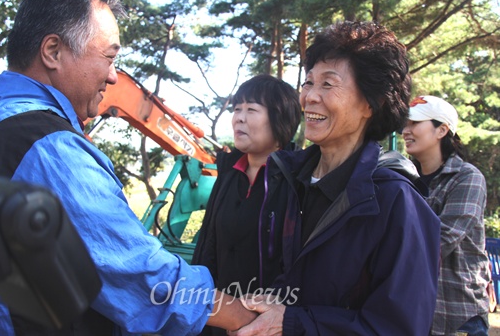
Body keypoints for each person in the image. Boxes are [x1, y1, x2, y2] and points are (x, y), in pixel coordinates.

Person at [0, 0, 256, 335]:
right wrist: (244, 317)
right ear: (53, 51)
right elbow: (139, 274)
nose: (113, 77)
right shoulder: (49, 148)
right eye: (109, 58)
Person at [229, 21, 442, 336]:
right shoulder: (290, 179)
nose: (310, 97)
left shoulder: (396, 201)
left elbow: (400, 327)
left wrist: (290, 323)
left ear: (373, 102)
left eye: (328, 84)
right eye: (309, 82)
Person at [192, 75, 301, 335]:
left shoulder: (297, 182)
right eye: (237, 108)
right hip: (218, 319)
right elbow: (208, 246)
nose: (239, 117)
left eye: (251, 109)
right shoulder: (230, 174)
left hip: (266, 324)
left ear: (280, 120)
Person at [402, 95, 490, 336]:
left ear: (442, 130)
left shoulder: (467, 178)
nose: (405, 130)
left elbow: (440, 241)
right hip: (410, 311)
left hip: (457, 315)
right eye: (405, 124)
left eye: (414, 123)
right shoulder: (401, 179)